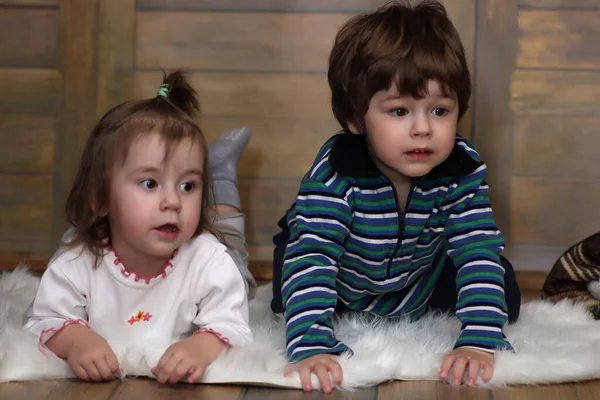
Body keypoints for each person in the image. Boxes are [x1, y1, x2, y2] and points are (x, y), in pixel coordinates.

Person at [270, 0, 521, 392]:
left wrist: (478, 340)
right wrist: (312, 345)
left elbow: (475, 249)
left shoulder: (462, 168)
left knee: (500, 285)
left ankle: (427, 306)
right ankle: (310, 315)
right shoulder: (337, 173)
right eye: (400, 112)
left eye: (440, 111)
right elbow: (315, 256)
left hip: (416, 271)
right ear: (356, 118)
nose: (423, 128)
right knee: (294, 288)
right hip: (338, 271)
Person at [23, 70, 256, 384]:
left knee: (234, 253)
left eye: (188, 185)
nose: (172, 200)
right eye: (150, 183)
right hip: (104, 230)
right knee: (77, 242)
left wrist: (201, 346)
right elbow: (41, 321)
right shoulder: (76, 264)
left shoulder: (209, 260)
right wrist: (76, 339)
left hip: (211, 245)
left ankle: (220, 175)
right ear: (102, 198)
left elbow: (234, 326)